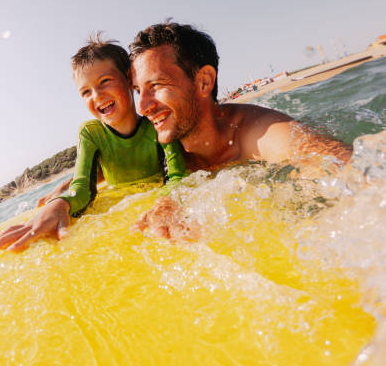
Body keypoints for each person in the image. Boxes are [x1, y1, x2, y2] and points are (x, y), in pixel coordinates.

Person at [128, 22, 352, 240]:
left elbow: (342, 167)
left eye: (156, 85)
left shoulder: (258, 132)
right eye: (138, 91)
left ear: (204, 82)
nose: (142, 107)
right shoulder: (157, 147)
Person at [0, 35, 187, 251]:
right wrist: (61, 203)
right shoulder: (90, 133)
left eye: (104, 82)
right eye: (85, 92)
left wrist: (165, 204)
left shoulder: (154, 123)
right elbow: (84, 188)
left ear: (130, 80)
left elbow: (176, 175)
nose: (97, 95)